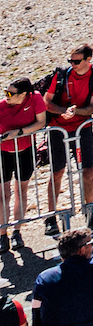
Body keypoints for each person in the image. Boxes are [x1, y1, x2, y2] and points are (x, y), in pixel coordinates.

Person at [40, 46, 93, 223]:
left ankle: (91, 211)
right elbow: (46, 102)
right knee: (57, 172)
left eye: (77, 61)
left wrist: (75, 112)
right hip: (57, 128)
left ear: (88, 60)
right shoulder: (62, 74)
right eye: (71, 61)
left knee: (88, 170)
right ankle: (51, 217)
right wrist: (64, 111)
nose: (73, 64)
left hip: (82, 127)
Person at [31, 230, 93, 326]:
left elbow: (36, 313)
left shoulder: (45, 278)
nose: (92, 247)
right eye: (90, 244)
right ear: (82, 250)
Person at [1, 77, 40, 242]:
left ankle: (17, 231)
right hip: (3, 153)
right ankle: (2, 235)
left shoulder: (35, 98)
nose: (7, 96)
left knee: (21, 191)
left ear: (23, 94)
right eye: (6, 92)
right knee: (3, 195)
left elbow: (41, 122)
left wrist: (18, 132)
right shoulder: (1, 106)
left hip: (26, 151)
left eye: (10, 93)